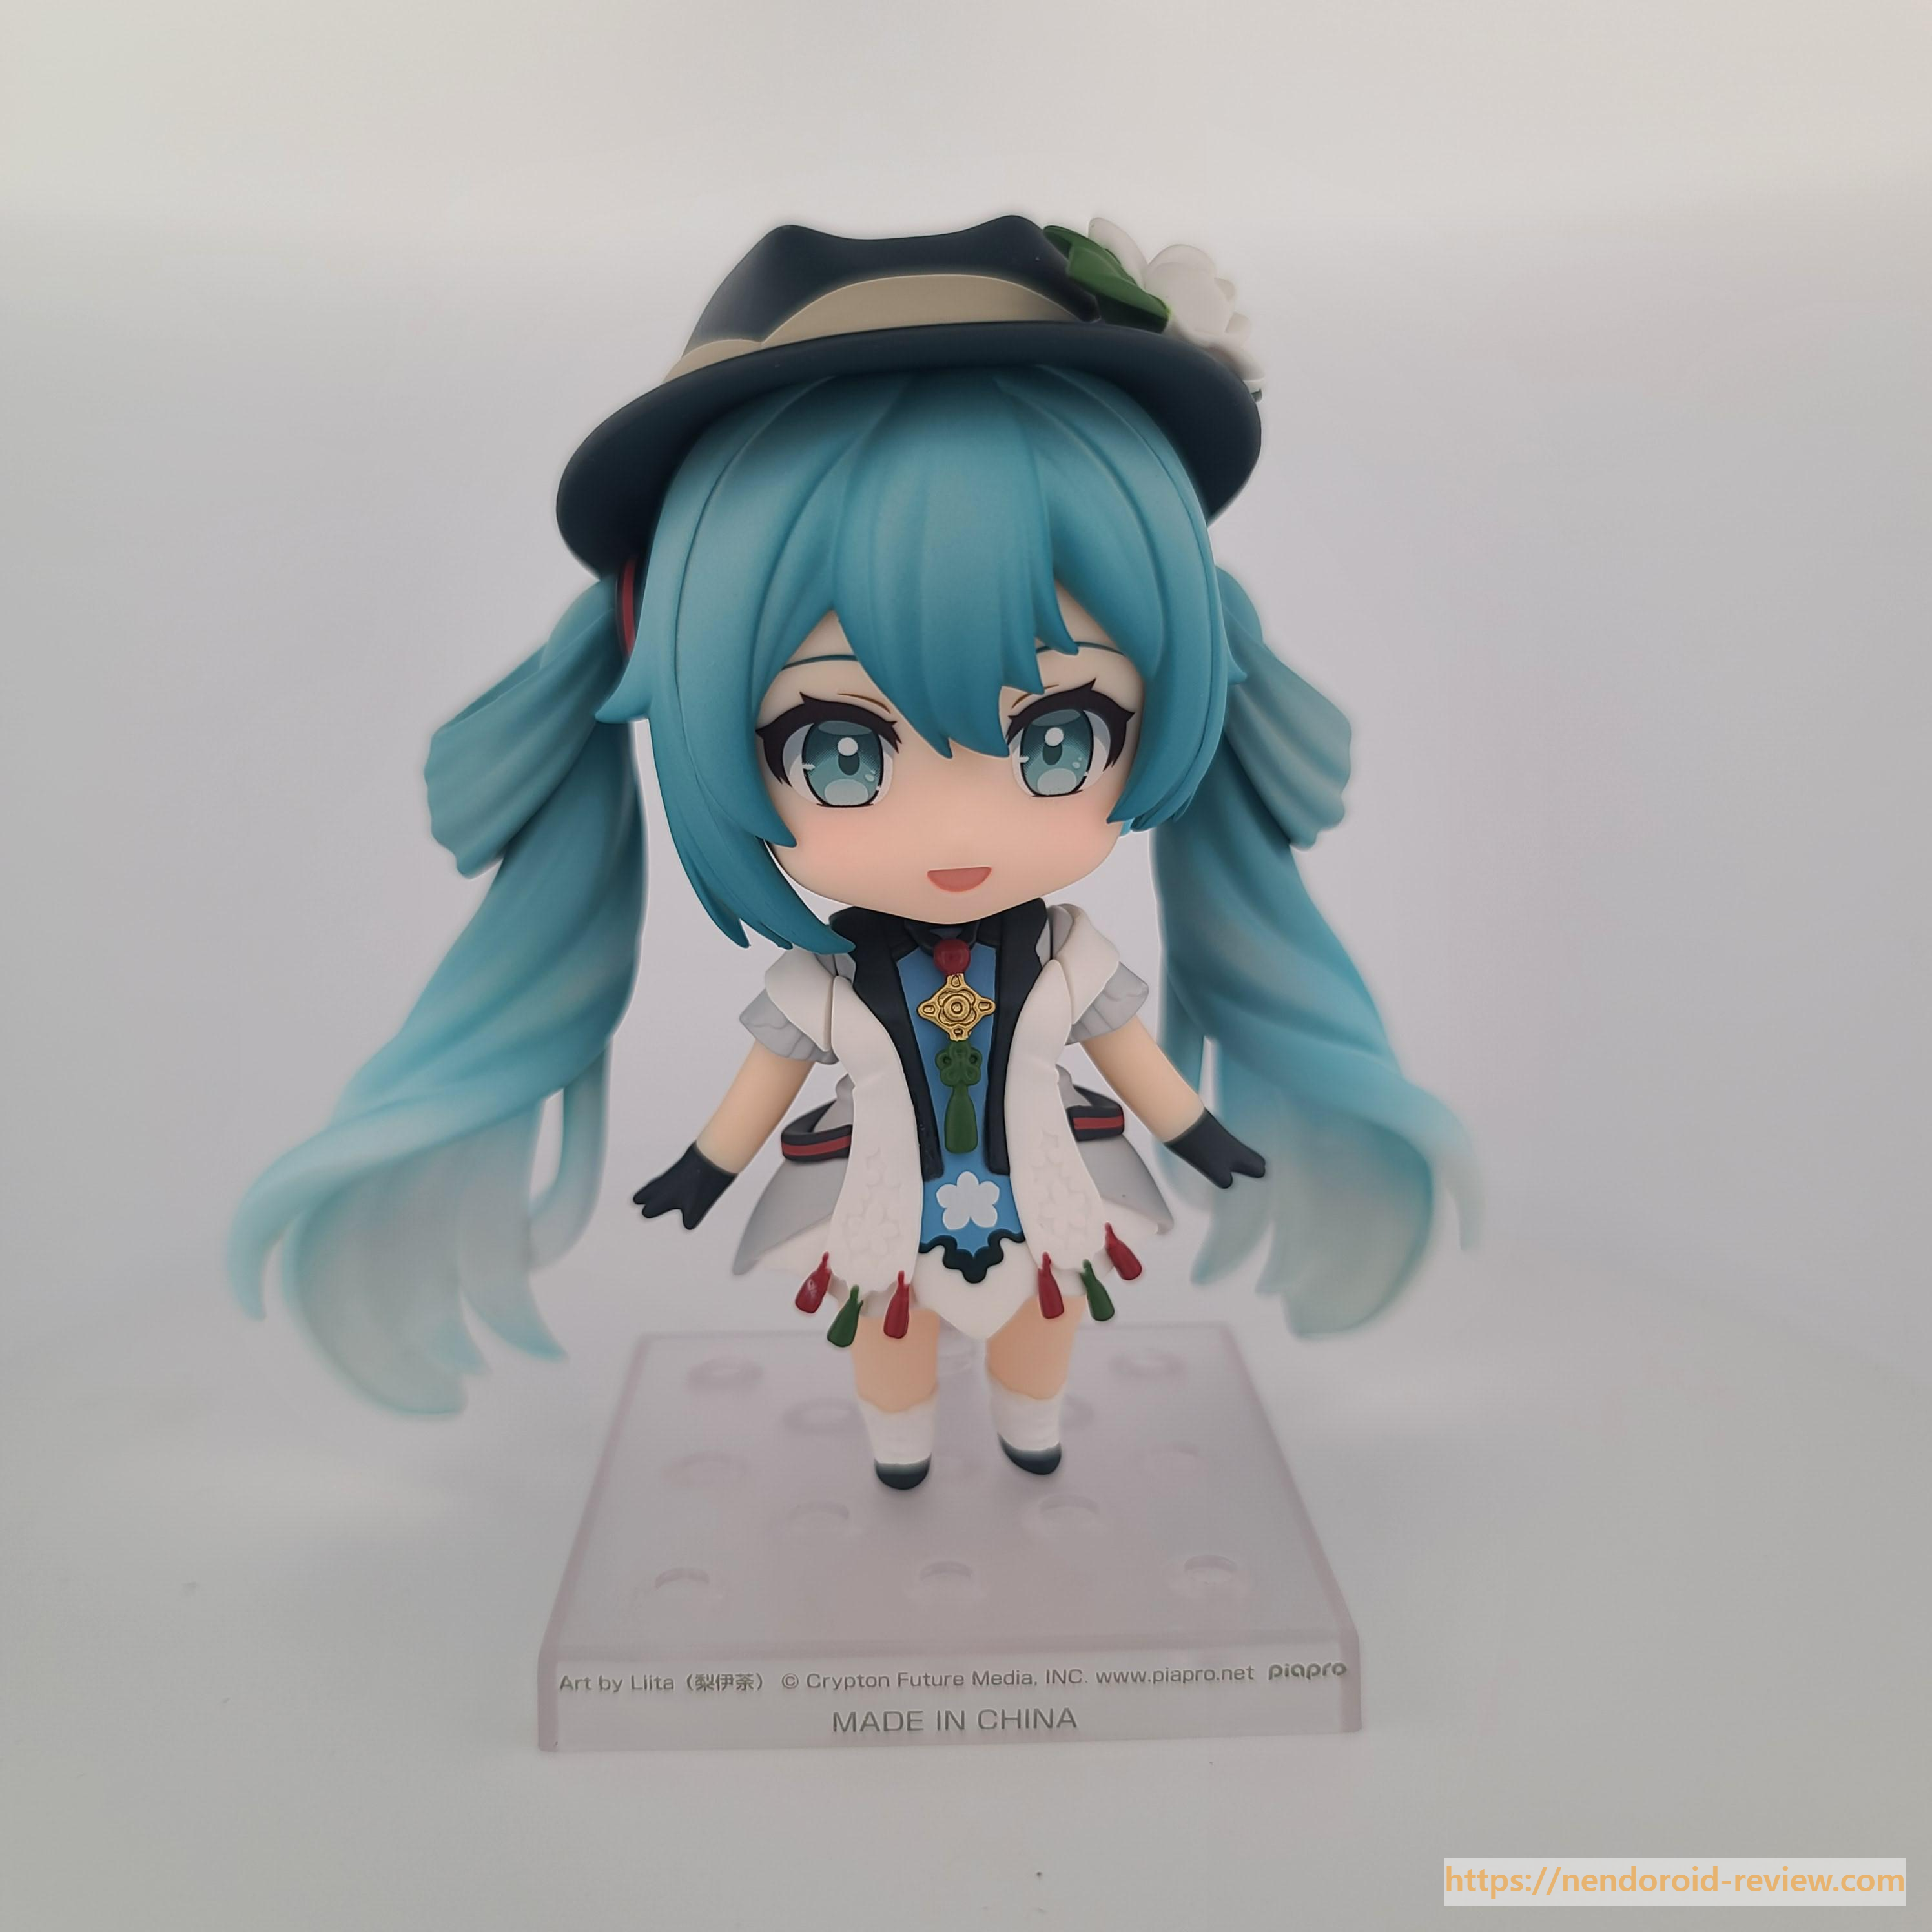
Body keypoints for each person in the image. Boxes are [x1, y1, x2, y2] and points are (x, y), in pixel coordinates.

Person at [229, 216, 1477, 1485]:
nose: (957, 829)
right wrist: (706, 1165)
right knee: (886, 1320)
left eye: (1057, 741)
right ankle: (899, 1447)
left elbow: (1125, 1052)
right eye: (841, 753)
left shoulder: (1066, 960)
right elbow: (767, 1078)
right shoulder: (824, 986)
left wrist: (1197, 1132)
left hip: (1045, 1181)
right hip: (879, 1193)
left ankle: (1030, 1425)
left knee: (1047, 1308)